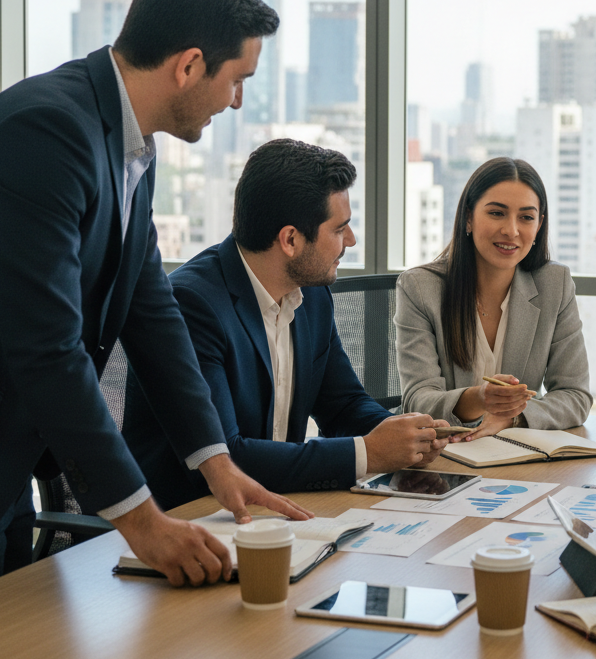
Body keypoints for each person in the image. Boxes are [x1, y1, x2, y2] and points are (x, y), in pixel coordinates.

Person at [0, 0, 313, 603]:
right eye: (237, 79)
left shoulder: (131, 146)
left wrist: (216, 462)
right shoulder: (47, 133)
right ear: (190, 65)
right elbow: (47, 350)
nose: (238, 101)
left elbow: (153, 313)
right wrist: (142, 524)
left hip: (1, 468)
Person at [124, 139, 451, 507]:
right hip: (195, 519)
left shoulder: (310, 295)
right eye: (339, 228)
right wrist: (367, 454)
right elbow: (226, 457)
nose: (351, 240)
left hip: (278, 510)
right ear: (291, 240)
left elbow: (342, 406)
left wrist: (411, 434)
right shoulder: (192, 305)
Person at [395, 157, 592, 437]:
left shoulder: (554, 284)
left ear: (539, 225)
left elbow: (575, 395)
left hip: (513, 454)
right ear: (468, 217)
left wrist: (513, 418)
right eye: (497, 213)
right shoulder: (420, 288)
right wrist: (479, 399)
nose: (511, 230)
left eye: (526, 217)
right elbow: (417, 399)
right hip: (442, 453)